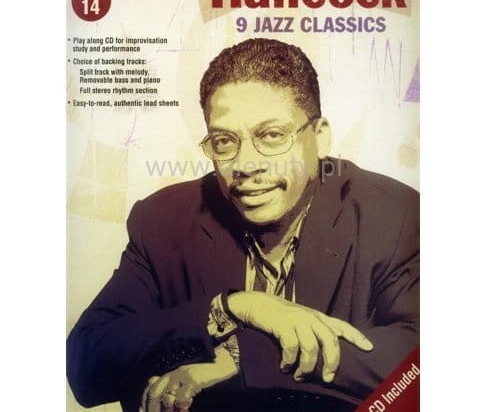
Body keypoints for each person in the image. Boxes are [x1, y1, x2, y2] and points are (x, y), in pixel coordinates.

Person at [67, 38, 419, 412]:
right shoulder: (163, 219)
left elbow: (416, 360)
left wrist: (242, 356)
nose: (245, 164)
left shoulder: (393, 213)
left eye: (271, 135)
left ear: (319, 138)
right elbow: (86, 365)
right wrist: (232, 308)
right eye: (224, 141)